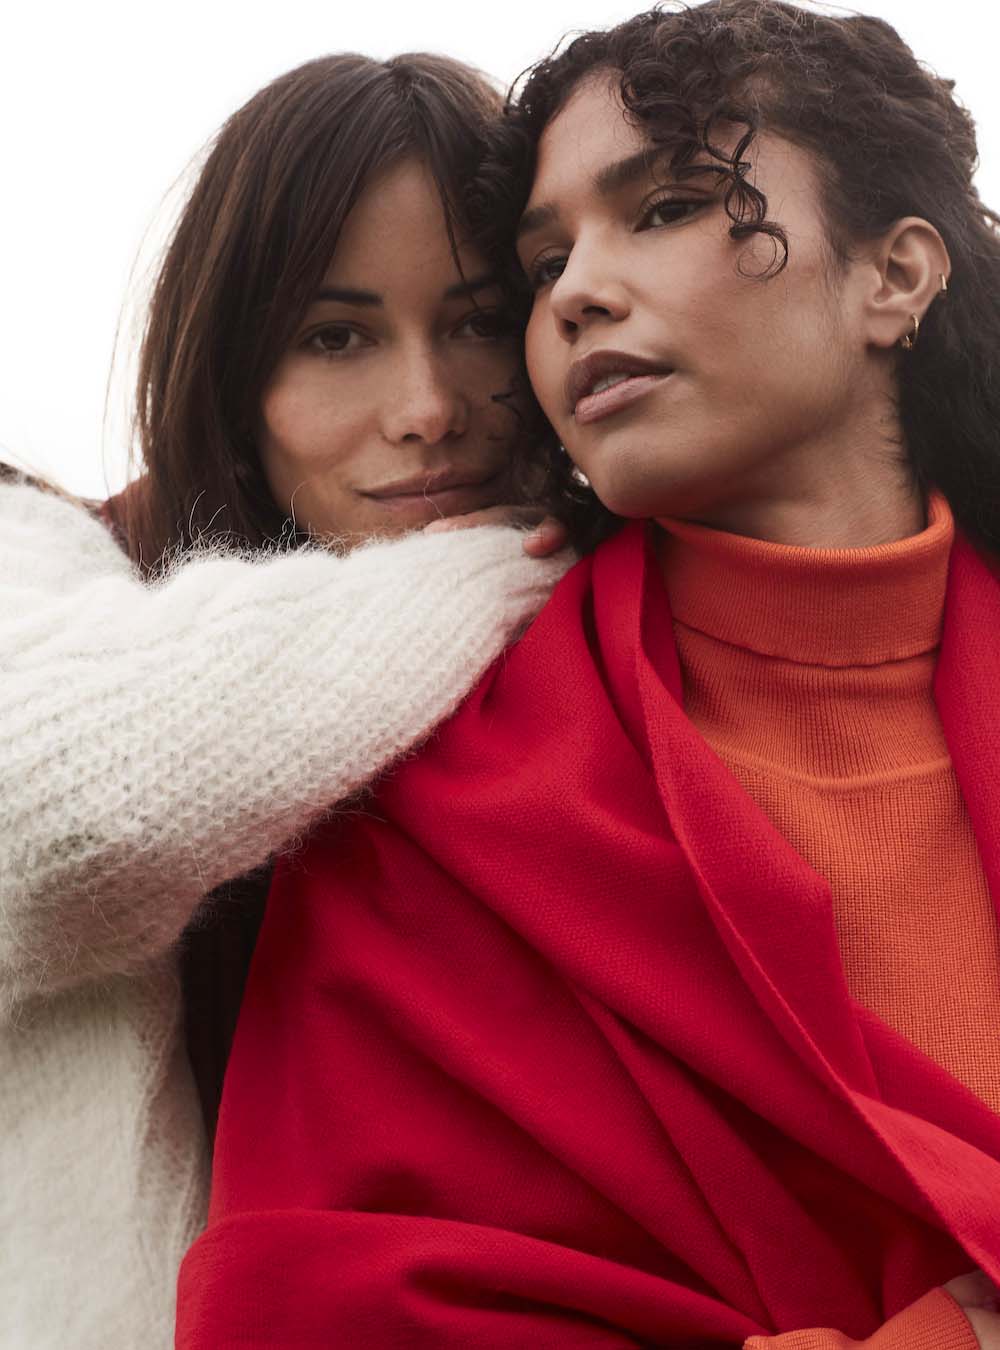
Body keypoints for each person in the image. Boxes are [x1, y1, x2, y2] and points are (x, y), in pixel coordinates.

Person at [178, 3, 1000, 1347]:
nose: (574, 293)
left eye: (666, 206)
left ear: (894, 277)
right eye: (546, 262)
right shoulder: (421, 810)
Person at [0, 52, 571, 1350]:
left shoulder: (621, 643)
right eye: (336, 337)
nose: (427, 409)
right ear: (233, 375)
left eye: (480, 320)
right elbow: (63, 815)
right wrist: (490, 568)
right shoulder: (37, 549)